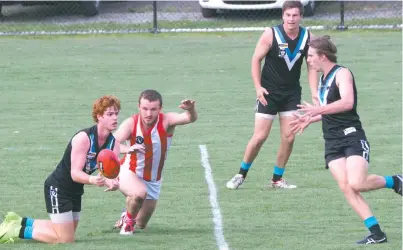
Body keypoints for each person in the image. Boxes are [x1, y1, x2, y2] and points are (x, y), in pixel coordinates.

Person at [290, 35, 402, 244]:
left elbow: (347, 102)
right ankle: (377, 233)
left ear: (323, 56)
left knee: (357, 182)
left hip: (351, 136)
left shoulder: (342, 74)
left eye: (311, 56)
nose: (309, 60)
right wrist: (310, 118)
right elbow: (330, 111)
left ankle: (395, 181)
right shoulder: (323, 79)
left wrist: (317, 109)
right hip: (332, 141)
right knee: (346, 186)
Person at [0, 95, 122, 244]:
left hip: (76, 191)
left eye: (116, 113)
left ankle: (21, 221)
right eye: (110, 114)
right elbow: (75, 174)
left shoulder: (114, 145)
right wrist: (92, 179)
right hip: (58, 188)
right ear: (99, 116)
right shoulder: (84, 138)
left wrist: (112, 182)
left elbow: (109, 174)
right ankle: (16, 230)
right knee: (65, 239)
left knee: (67, 230)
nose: (115, 118)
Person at [226, 0, 319, 190]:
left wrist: (315, 93)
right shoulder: (271, 34)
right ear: (282, 16)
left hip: (291, 94)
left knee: (289, 137)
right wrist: (258, 87)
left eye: (295, 15)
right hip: (268, 93)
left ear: (301, 16)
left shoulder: (308, 37)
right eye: (288, 15)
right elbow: (256, 59)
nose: (291, 19)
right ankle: (240, 174)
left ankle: (277, 179)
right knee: (260, 136)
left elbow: (311, 66)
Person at [112, 89, 198, 235]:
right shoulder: (130, 124)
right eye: (145, 109)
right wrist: (128, 148)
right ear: (138, 106)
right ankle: (127, 226)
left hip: (153, 179)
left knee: (141, 223)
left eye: (153, 109)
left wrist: (191, 109)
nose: (148, 113)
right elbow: (112, 145)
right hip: (129, 172)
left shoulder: (167, 120)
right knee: (139, 194)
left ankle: (126, 216)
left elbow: (190, 118)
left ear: (160, 109)